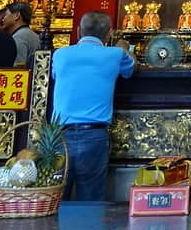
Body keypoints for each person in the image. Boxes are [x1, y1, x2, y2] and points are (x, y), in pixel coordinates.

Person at [51, 11, 135, 201]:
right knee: (90, 199)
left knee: (55, 198)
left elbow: (55, 75)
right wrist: (123, 46)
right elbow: (131, 68)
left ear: (79, 31)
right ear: (109, 34)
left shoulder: (60, 54)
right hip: (94, 135)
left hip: (59, 135)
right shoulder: (115, 54)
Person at [0, 2, 41, 68]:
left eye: (6, 15)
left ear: (17, 16)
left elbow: (18, 68)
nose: (3, 19)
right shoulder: (31, 34)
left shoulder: (19, 37)